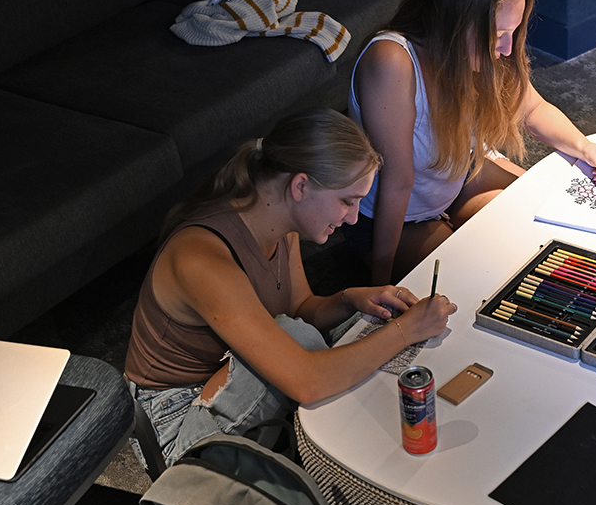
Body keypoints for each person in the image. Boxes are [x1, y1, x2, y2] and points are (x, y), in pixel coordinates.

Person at [125, 108, 457, 465]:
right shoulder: (202, 259)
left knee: (362, 325)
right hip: (173, 422)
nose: (353, 217)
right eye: (347, 200)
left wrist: (349, 299)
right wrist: (406, 331)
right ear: (300, 186)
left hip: (229, 376)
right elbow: (305, 380)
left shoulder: (280, 223)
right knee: (313, 346)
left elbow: (300, 309)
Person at [349, 0, 596, 284]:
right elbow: (398, 182)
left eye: (513, 33)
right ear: (455, 22)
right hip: (392, 215)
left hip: (456, 174)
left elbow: (533, 107)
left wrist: (586, 147)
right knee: (474, 280)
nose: (508, 49)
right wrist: (380, 283)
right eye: (498, 34)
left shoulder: (484, 52)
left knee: (543, 230)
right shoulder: (392, 61)